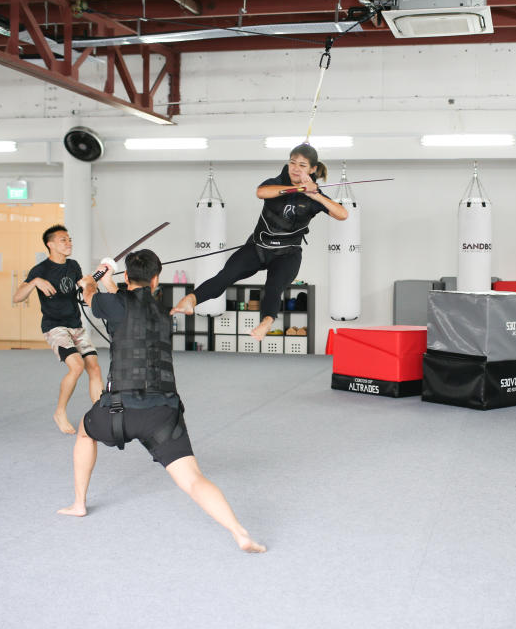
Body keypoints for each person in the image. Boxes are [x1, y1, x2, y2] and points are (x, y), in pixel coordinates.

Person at [58, 249, 266, 554]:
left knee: (85, 432)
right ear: (157, 280)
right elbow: (125, 304)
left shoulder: (114, 304)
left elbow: (92, 295)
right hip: (163, 415)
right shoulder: (163, 313)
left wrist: (93, 279)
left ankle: (79, 503)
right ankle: (239, 531)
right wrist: (107, 279)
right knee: (194, 479)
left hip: (118, 412)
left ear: (126, 276)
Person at [171, 144, 348, 340]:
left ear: (313, 169)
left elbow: (342, 214)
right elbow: (261, 192)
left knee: (273, 288)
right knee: (226, 275)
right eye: (292, 163)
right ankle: (190, 300)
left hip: (287, 254)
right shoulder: (276, 182)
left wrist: (315, 194)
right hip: (257, 248)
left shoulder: (314, 196)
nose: (296, 168)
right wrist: (296, 188)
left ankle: (265, 323)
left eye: (302, 165)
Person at [13, 224, 102, 434]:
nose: (69, 243)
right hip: (54, 327)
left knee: (94, 367)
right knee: (77, 366)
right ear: (50, 244)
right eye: (63, 240)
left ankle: (100, 414)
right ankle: (60, 412)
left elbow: (85, 293)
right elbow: (16, 297)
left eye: (69, 239)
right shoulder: (40, 270)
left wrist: (90, 283)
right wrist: (35, 281)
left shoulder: (73, 265)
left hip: (76, 325)